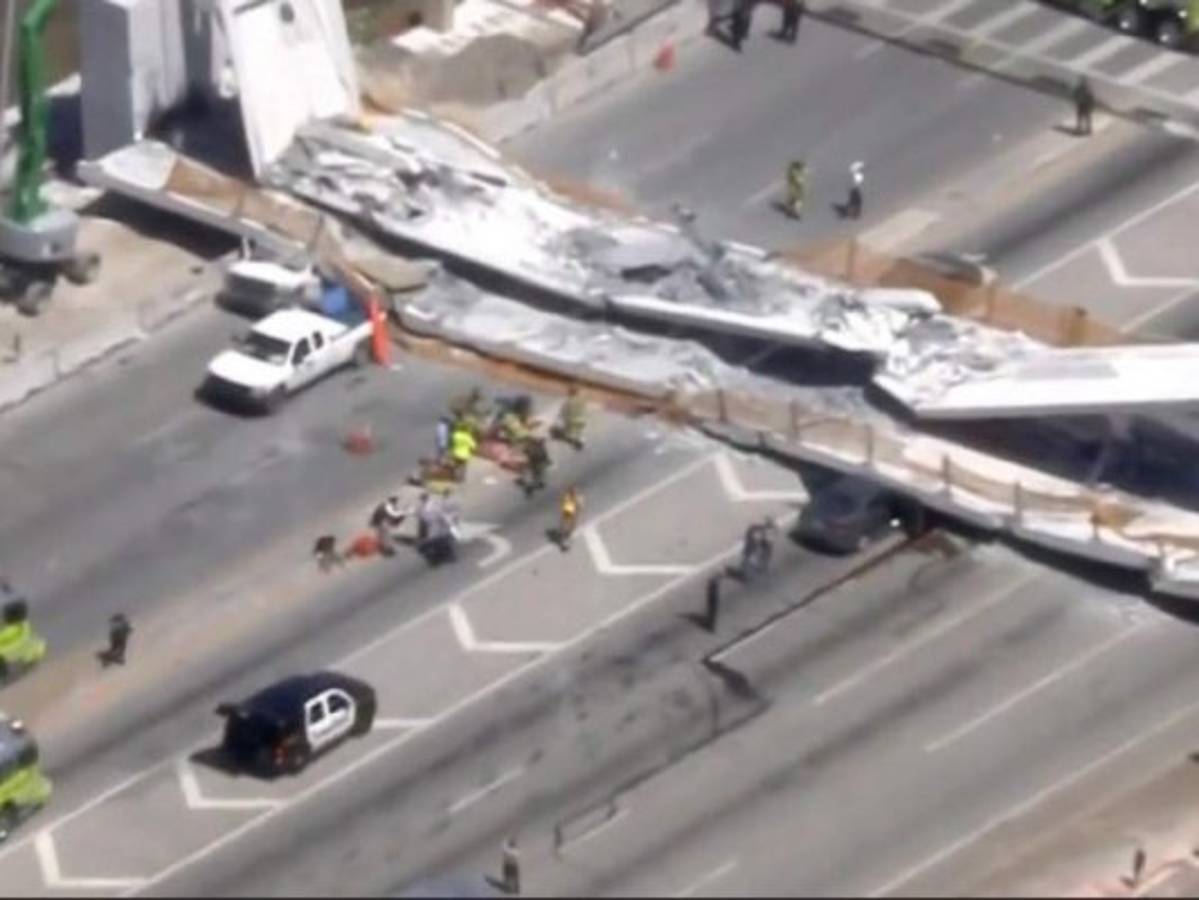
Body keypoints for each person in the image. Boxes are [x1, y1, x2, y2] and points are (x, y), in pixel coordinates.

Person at [555, 386, 587, 450]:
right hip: (581, 423)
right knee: (576, 432)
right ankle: (579, 440)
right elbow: (584, 411)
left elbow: (562, 413)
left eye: (568, 392)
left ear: (570, 392)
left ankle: (574, 440)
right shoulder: (582, 400)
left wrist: (558, 419)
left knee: (558, 433)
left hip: (571, 423)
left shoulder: (568, 401)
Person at [557, 485, 582, 551]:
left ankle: (567, 536)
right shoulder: (567, 497)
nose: (575, 493)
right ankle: (563, 540)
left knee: (572, 525)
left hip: (572, 510)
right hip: (568, 509)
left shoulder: (578, 498)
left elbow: (579, 507)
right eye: (573, 492)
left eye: (575, 492)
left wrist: (577, 512)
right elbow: (563, 504)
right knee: (565, 524)